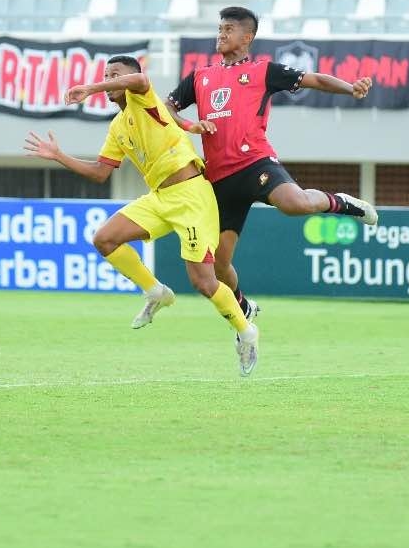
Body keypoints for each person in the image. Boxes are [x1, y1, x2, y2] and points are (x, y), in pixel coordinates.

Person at [24, 54, 260, 377]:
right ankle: (155, 292)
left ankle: (246, 332)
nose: (109, 80)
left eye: (114, 74)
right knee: (104, 239)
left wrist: (92, 87)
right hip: (160, 198)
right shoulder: (118, 127)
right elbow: (99, 173)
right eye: (105, 74)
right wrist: (59, 156)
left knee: (204, 282)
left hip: (191, 194)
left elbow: (138, 80)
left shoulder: (143, 97)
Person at [166, 5, 380, 320]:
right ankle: (243, 307)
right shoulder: (201, 76)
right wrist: (189, 125)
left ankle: (344, 203)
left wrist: (351, 89)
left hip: (255, 163)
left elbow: (315, 80)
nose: (221, 34)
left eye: (229, 29)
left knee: (295, 204)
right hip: (219, 180)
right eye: (220, 28)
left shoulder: (263, 71)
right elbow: (167, 107)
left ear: (247, 36)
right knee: (220, 263)